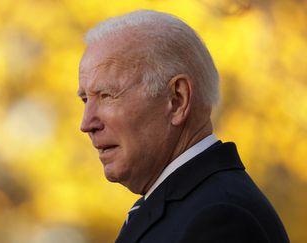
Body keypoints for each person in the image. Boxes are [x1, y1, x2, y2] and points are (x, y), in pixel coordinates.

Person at [77, 10, 289, 243]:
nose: (87, 124)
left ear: (177, 100)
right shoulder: (189, 207)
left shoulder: (220, 218)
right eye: (86, 99)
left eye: (106, 95)